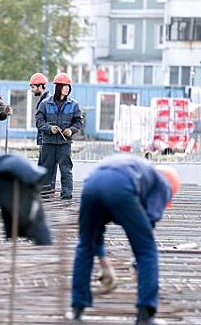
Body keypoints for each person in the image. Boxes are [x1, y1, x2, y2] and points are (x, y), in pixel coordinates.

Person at [68, 155, 180, 325]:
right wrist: (139, 264)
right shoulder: (163, 182)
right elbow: (149, 222)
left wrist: (104, 264)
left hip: (91, 184)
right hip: (121, 185)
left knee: (85, 245)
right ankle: (145, 315)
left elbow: (96, 235)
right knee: (147, 250)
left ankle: (77, 311)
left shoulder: (141, 171)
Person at [35, 72, 82, 200]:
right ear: (57, 87)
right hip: (49, 143)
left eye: (68, 86)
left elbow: (78, 122)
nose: (67, 88)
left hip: (64, 144)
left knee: (66, 170)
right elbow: (39, 122)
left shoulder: (73, 105)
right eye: (64, 86)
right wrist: (50, 128)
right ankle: (45, 195)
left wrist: (71, 130)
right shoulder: (45, 104)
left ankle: (66, 196)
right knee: (46, 170)